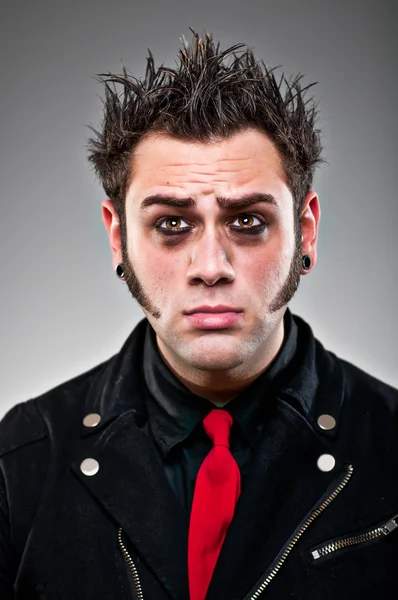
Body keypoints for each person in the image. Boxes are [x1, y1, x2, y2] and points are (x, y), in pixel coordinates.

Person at [0, 30, 397, 600]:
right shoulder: (23, 460)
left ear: (304, 231)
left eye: (247, 222)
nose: (210, 267)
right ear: (118, 238)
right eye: (171, 224)